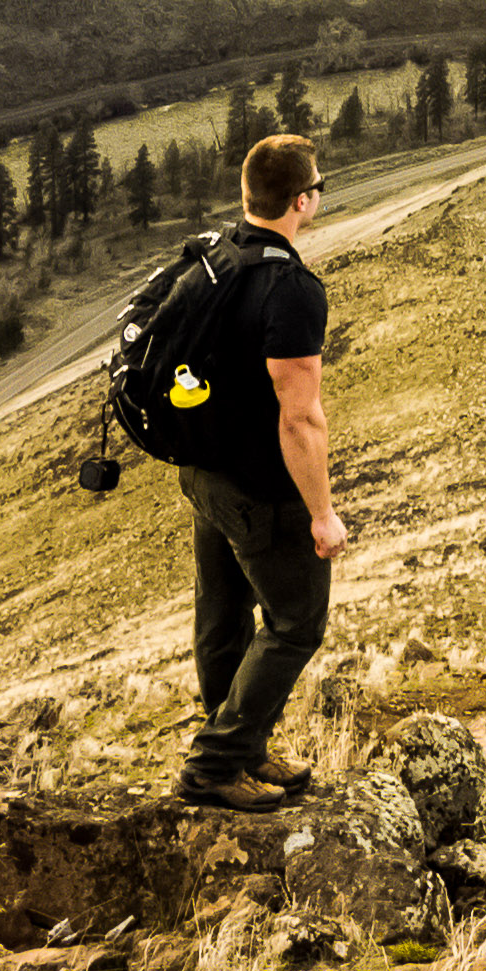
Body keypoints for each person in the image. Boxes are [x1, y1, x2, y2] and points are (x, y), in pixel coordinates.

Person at [173, 130, 342, 814]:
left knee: (221, 615)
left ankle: (241, 748)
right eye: (318, 184)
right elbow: (299, 419)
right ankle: (214, 765)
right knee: (297, 621)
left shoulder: (216, 258)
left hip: (204, 474)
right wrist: (322, 514)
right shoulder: (291, 288)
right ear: (302, 200)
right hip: (259, 490)